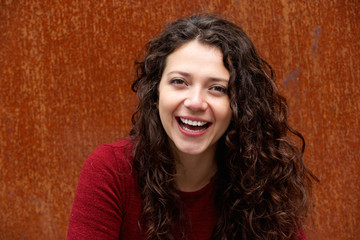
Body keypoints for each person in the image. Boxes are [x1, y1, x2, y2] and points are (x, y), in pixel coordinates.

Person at [67, 14, 315, 240]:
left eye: (217, 88)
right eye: (179, 82)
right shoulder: (110, 171)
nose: (195, 102)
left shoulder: (263, 179)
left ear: (239, 103)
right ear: (156, 92)